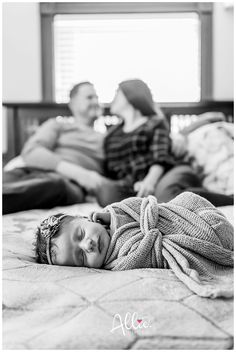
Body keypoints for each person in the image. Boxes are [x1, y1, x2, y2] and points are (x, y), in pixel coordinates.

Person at [34, 192, 233, 298]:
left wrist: (114, 215)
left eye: (81, 233)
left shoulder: (110, 213)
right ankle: (216, 236)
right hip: (204, 234)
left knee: (185, 197)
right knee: (212, 235)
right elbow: (149, 254)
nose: (88, 245)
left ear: (86, 219)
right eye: (81, 257)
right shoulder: (118, 261)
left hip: (190, 214)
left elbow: (144, 205)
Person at [3, 82, 106, 214]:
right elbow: (31, 151)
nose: (96, 101)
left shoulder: (107, 139)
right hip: (28, 171)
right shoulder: (57, 125)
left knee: (55, 184)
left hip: (66, 184)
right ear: (72, 103)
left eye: (97, 98)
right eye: (89, 97)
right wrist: (78, 173)